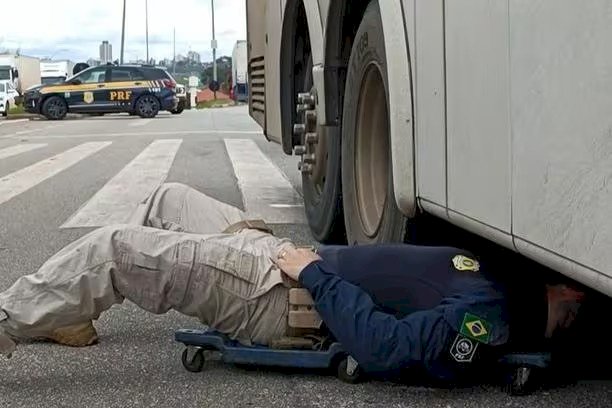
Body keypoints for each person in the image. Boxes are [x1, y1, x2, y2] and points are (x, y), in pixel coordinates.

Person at [0, 183, 585, 385]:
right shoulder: (502, 279)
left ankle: (8, 322)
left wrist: (311, 272)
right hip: (281, 260)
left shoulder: (489, 316)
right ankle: (66, 311)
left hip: (279, 295)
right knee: (163, 199)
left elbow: (387, 349)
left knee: (113, 249)